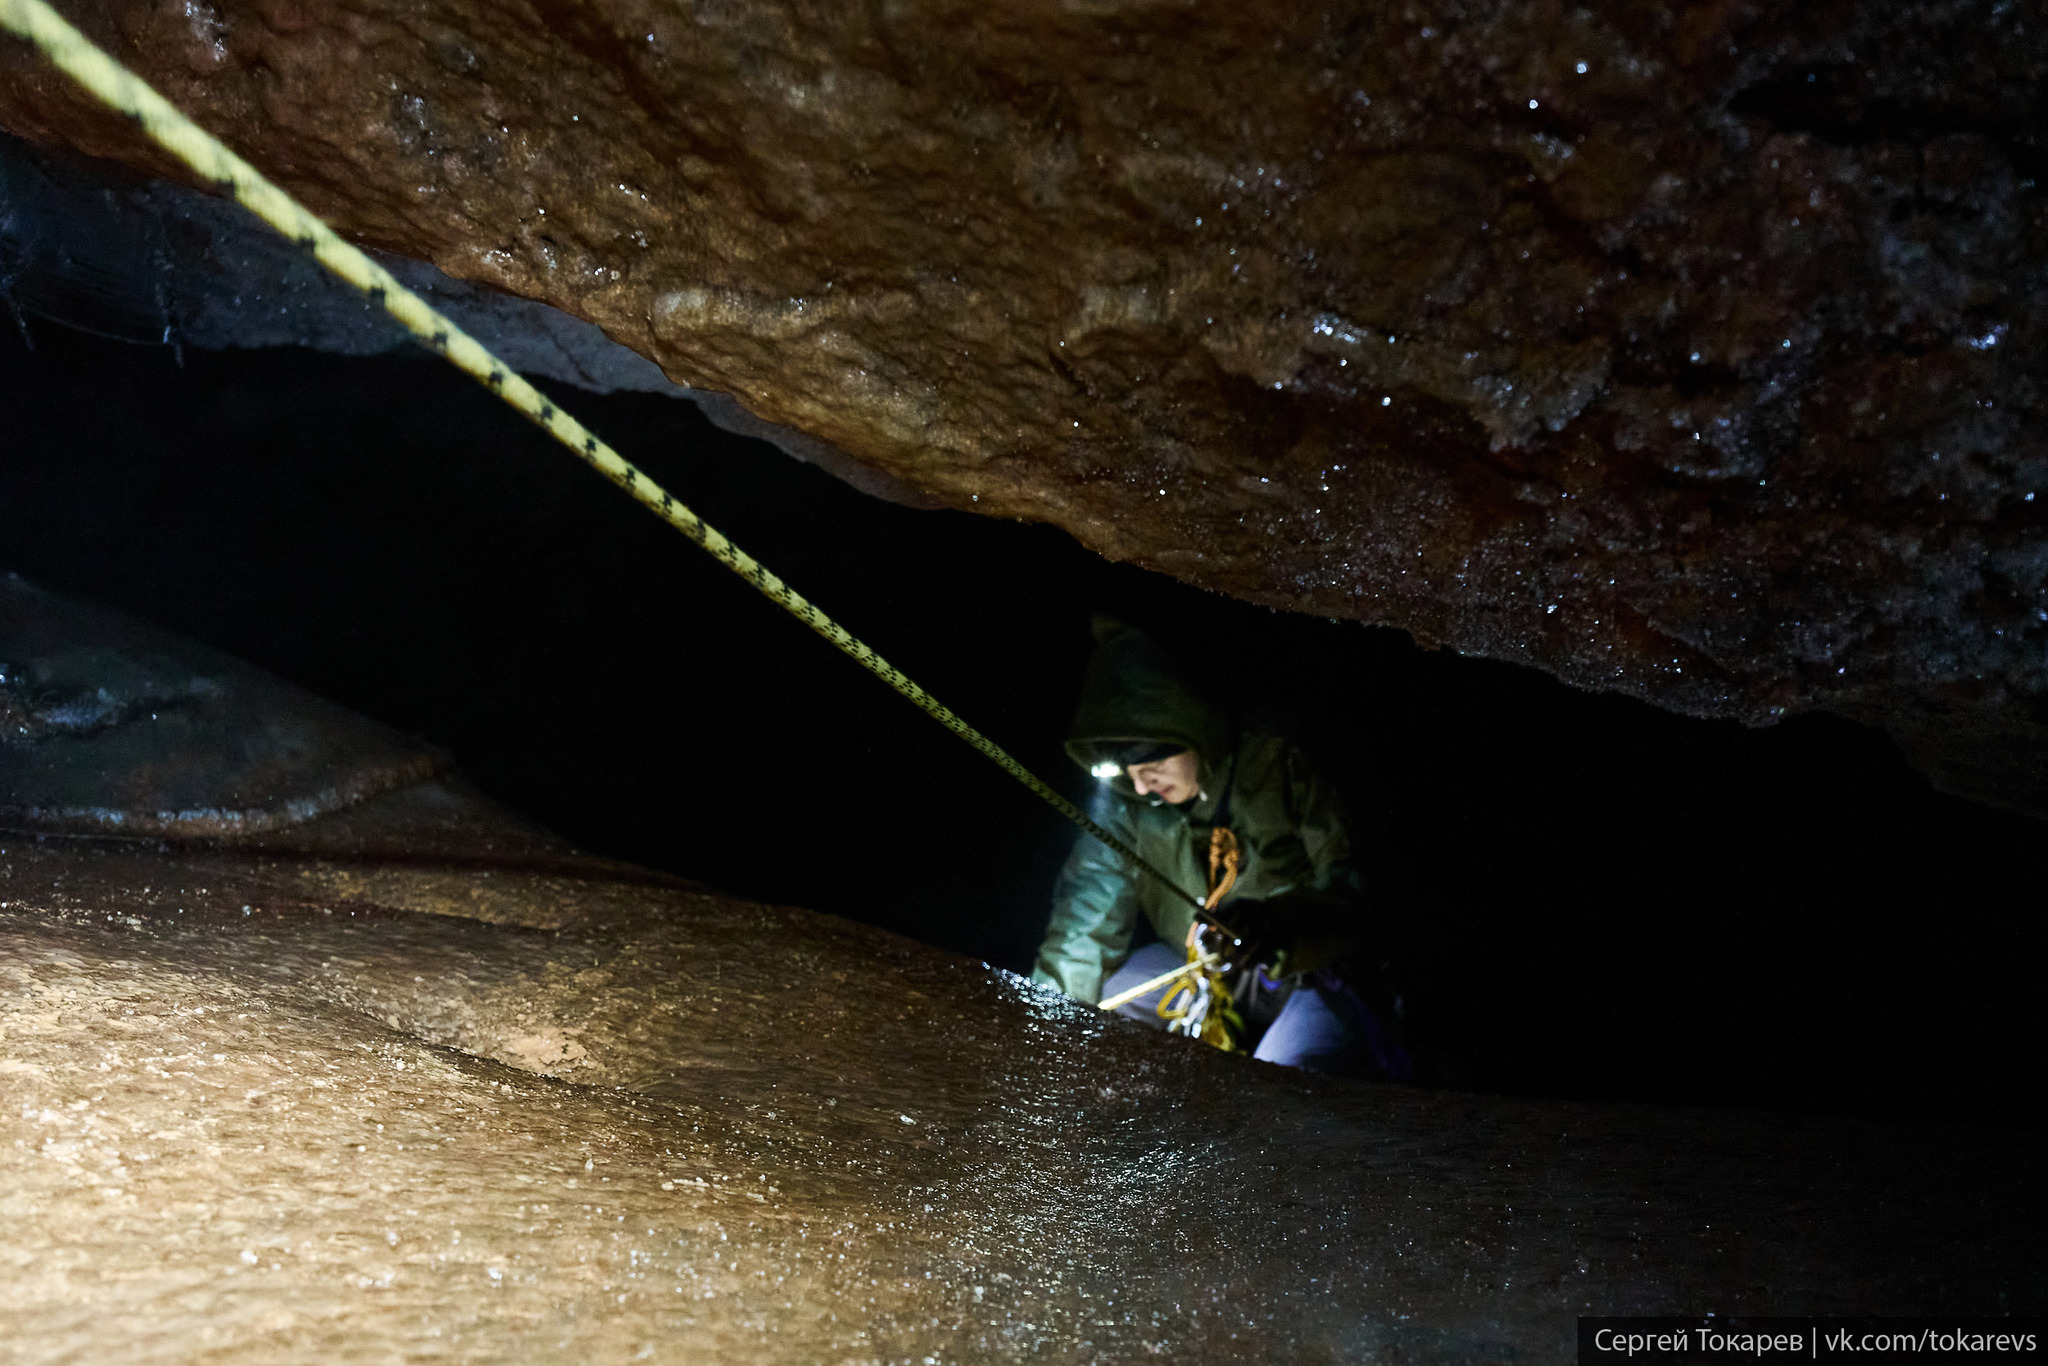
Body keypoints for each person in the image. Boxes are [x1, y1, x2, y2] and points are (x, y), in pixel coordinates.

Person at [1030, 617, 1410, 1076]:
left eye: (1149, 756)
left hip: (1316, 971)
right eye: (1120, 766)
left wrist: (1280, 924)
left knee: (1281, 1074)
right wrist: (1040, 1028)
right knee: (1102, 1013)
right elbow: (1083, 923)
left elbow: (1364, 892)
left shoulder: (1282, 760)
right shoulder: (1127, 805)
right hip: (1200, 966)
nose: (1139, 780)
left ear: (1194, 726)